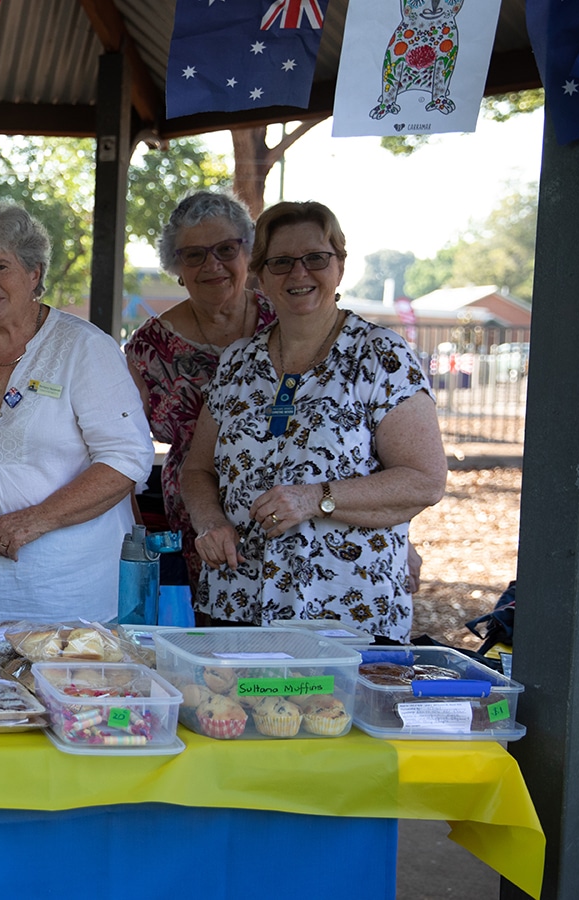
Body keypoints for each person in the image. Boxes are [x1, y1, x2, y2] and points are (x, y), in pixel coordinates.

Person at [182, 200, 447, 642]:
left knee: (332, 715)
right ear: (260, 276)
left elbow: (424, 480)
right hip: (239, 600)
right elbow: (197, 469)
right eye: (281, 262)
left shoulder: (381, 356)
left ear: (339, 266)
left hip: (345, 611)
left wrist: (314, 498)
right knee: (236, 713)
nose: (299, 274)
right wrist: (209, 522)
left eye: (316, 259)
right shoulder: (238, 363)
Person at [0, 201, 154, 642]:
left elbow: (127, 459)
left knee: (74, 710)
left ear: (34, 273)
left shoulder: (83, 348)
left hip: (70, 603)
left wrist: (38, 518)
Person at [124, 190, 275, 597]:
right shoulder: (147, 349)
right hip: (198, 520)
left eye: (226, 249)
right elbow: (122, 447)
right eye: (194, 255)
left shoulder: (285, 322)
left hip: (295, 513)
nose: (213, 265)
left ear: (248, 253)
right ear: (177, 266)